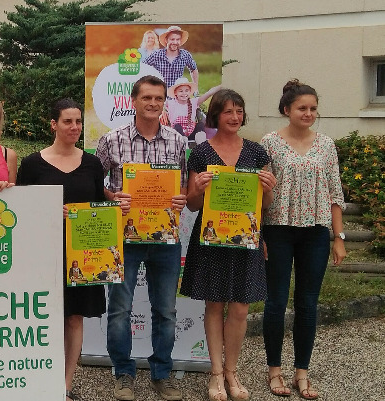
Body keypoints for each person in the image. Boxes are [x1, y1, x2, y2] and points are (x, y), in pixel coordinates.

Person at [17, 98, 128, 401]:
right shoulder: (32, 164)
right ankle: (40, 381)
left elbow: (100, 206)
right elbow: (20, 211)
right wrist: (49, 211)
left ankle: (65, 385)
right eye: (67, 121)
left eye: (78, 121)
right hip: (44, 253)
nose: (74, 127)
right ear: (53, 124)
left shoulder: (92, 164)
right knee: (43, 317)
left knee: (74, 318)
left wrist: (116, 207)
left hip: (83, 255)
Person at [179, 89, 277, 401]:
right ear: (215, 116)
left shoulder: (257, 153)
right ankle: (216, 374)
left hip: (246, 237)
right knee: (214, 304)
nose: (235, 117)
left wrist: (269, 189)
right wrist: (197, 188)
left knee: (240, 307)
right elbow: (192, 205)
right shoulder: (201, 153)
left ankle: (232, 372)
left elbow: (266, 204)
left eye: (239, 111)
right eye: (228, 112)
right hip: (211, 239)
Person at [96, 75, 188, 401]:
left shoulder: (178, 142)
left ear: (165, 103)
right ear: (133, 101)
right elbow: (96, 183)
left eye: (158, 98)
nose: (152, 103)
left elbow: (184, 186)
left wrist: (181, 198)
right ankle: (123, 373)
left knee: (166, 310)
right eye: (146, 97)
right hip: (125, 237)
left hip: (165, 239)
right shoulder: (112, 140)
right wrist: (112, 197)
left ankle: (162, 373)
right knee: (120, 308)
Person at [260, 79, 345, 400]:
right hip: (278, 230)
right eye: (302, 108)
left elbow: (335, 193)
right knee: (276, 302)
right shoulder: (270, 143)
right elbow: (260, 192)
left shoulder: (326, 145)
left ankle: (302, 373)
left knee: (308, 303)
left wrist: (338, 237)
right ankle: (274, 370)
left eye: (313, 108)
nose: (308, 113)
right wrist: (259, 233)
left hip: (315, 233)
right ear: (287, 110)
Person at [162, 78, 221, 146]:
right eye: (181, 91)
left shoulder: (194, 102)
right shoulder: (171, 103)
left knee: (200, 125)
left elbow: (209, 93)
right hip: (179, 135)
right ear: (175, 92)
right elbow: (159, 101)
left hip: (191, 133)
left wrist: (222, 85)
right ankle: (184, 146)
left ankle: (202, 146)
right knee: (177, 126)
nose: (184, 93)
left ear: (190, 92)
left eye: (186, 91)